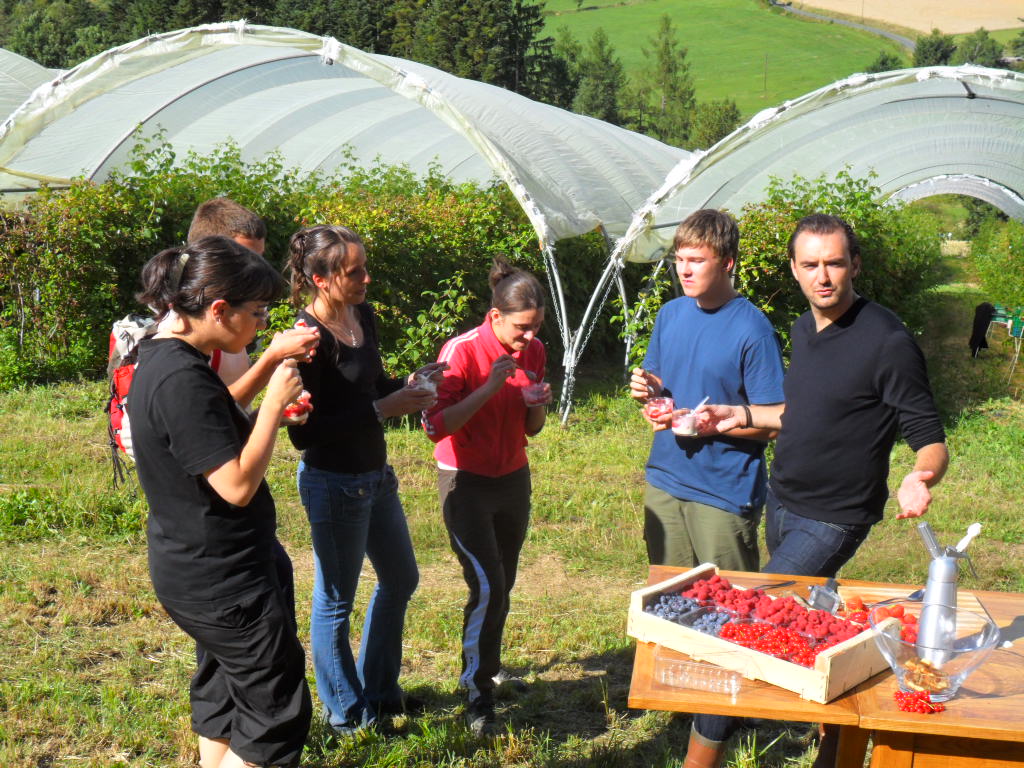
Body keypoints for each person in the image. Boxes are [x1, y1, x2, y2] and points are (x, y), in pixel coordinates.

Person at [686, 214, 948, 768]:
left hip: (834, 517)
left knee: (747, 624)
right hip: (782, 500)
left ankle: (701, 756)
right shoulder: (806, 329)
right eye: (810, 265)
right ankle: (832, 746)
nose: (822, 276)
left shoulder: (888, 341)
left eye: (834, 263)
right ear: (794, 269)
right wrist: (740, 414)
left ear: (855, 265)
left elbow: (929, 436)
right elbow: (802, 413)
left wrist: (920, 475)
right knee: (814, 626)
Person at [128, 237, 312, 768]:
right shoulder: (181, 378)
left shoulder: (165, 356)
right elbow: (235, 486)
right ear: (218, 309)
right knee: (275, 712)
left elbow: (211, 418)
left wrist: (267, 397)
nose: (261, 325)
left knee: (223, 691)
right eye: (257, 313)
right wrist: (273, 407)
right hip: (223, 579)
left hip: (200, 566)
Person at [286, 224, 441, 733]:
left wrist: (408, 386)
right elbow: (304, 434)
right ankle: (348, 716)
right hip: (333, 484)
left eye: (364, 268)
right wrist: (382, 408)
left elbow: (371, 388)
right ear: (321, 279)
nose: (366, 279)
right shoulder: (306, 340)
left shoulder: (362, 316)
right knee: (335, 603)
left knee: (401, 578)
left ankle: (380, 692)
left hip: (375, 477)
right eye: (354, 272)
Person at [422, 257, 553, 737]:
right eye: (521, 328)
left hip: (513, 477)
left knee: (504, 581)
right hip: (465, 481)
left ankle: (489, 667)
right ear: (495, 316)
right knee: (487, 586)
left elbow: (532, 430)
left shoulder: (533, 351)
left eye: (536, 327)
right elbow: (435, 426)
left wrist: (538, 406)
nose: (529, 337)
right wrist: (491, 385)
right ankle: (476, 692)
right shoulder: (461, 352)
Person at [629, 209, 784, 572]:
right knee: (666, 597)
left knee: (727, 601)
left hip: (722, 492)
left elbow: (776, 422)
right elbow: (661, 387)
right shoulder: (671, 314)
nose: (684, 270)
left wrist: (712, 427)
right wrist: (648, 390)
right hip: (665, 479)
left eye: (697, 261)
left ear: (727, 263)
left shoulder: (753, 330)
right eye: (679, 259)